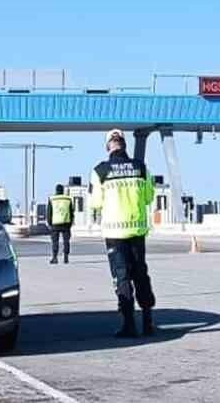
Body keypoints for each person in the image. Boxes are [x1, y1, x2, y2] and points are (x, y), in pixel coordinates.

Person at [88, 128, 157, 337]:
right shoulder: (140, 167)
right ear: (125, 145)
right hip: (137, 230)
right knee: (140, 274)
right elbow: (148, 197)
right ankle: (147, 321)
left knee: (122, 276)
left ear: (108, 146)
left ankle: (128, 324)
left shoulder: (100, 171)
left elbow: (95, 203)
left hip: (114, 233)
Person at [48, 183, 74, 264]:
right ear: (63, 190)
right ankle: (66, 257)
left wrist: (49, 223)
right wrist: (70, 223)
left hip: (55, 223)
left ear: (56, 190)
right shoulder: (68, 199)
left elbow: (49, 212)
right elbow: (71, 212)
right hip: (66, 223)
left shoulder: (52, 199)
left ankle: (55, 258)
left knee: (55, 241)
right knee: (66, 241)